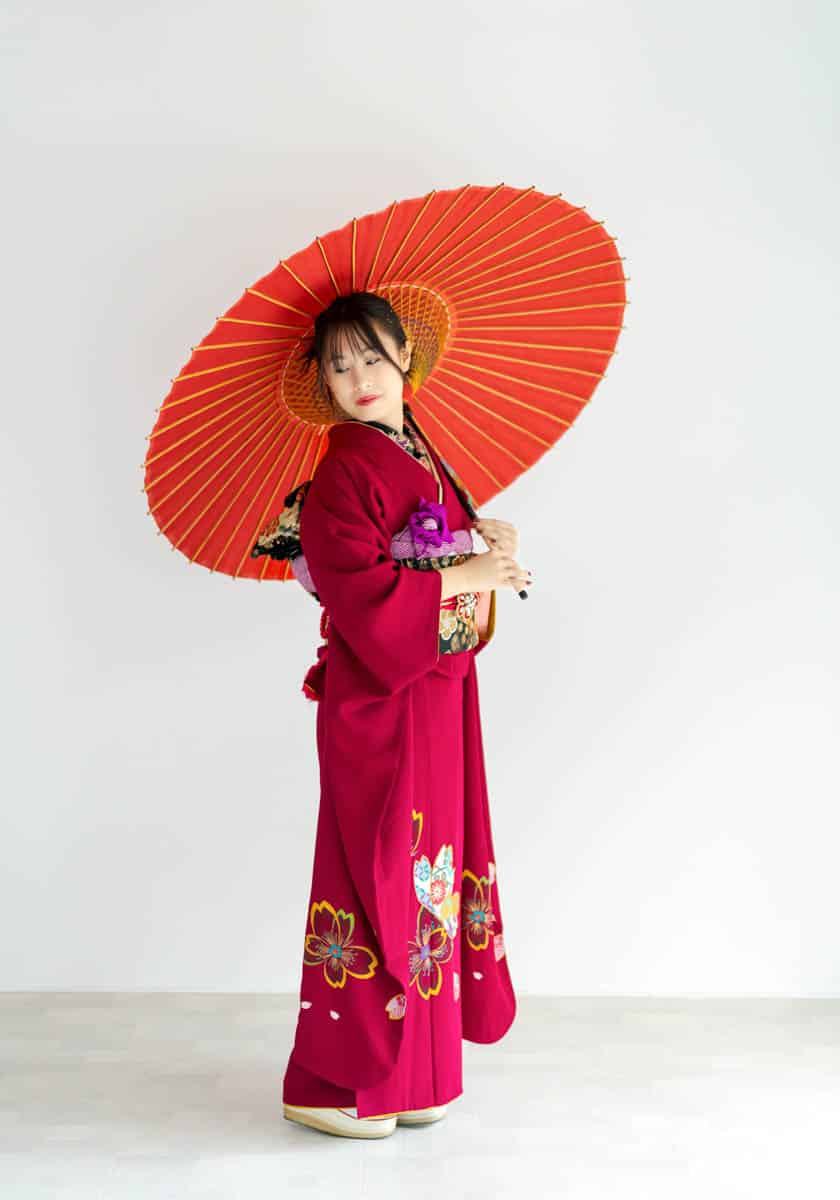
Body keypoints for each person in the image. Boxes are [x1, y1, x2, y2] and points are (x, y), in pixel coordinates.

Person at [268, 292, 531, 1139]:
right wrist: (464, 575)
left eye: (373, 358)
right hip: (378, 700)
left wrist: (491, 556)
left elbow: (451, 585)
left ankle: (418, 1076)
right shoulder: (343, 470)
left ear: (406, 356)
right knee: (375, 870)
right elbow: (361, 595)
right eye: (339, 366)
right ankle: (328, 1083)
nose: (359, 379)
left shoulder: (425, 455)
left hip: (436, 696)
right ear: (324, 382)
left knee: (431, 875)